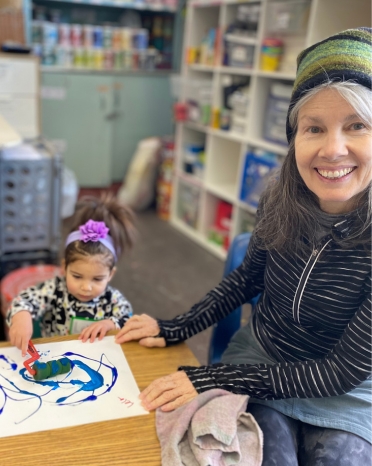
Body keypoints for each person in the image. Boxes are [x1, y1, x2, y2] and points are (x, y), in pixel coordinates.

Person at [115, 28, 372, 465]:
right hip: (263, 359)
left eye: (358, 125)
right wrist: (173, 327)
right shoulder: (280, 199)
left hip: (346, 393)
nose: (333, 149)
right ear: (294, 138)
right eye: (313, 127)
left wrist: (210, 375)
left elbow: (340, 371)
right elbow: (246, 280)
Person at [7, 194, 136, 356]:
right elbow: (24, 300)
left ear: (110, 274)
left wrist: (111, 323)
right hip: (54, 356)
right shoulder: (54, 289)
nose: (86, 287)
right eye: (77, 276)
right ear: (64, 267)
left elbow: (129, 320)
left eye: (97, 279)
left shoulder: (113, 299)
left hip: (96, 358)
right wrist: (21, 316)